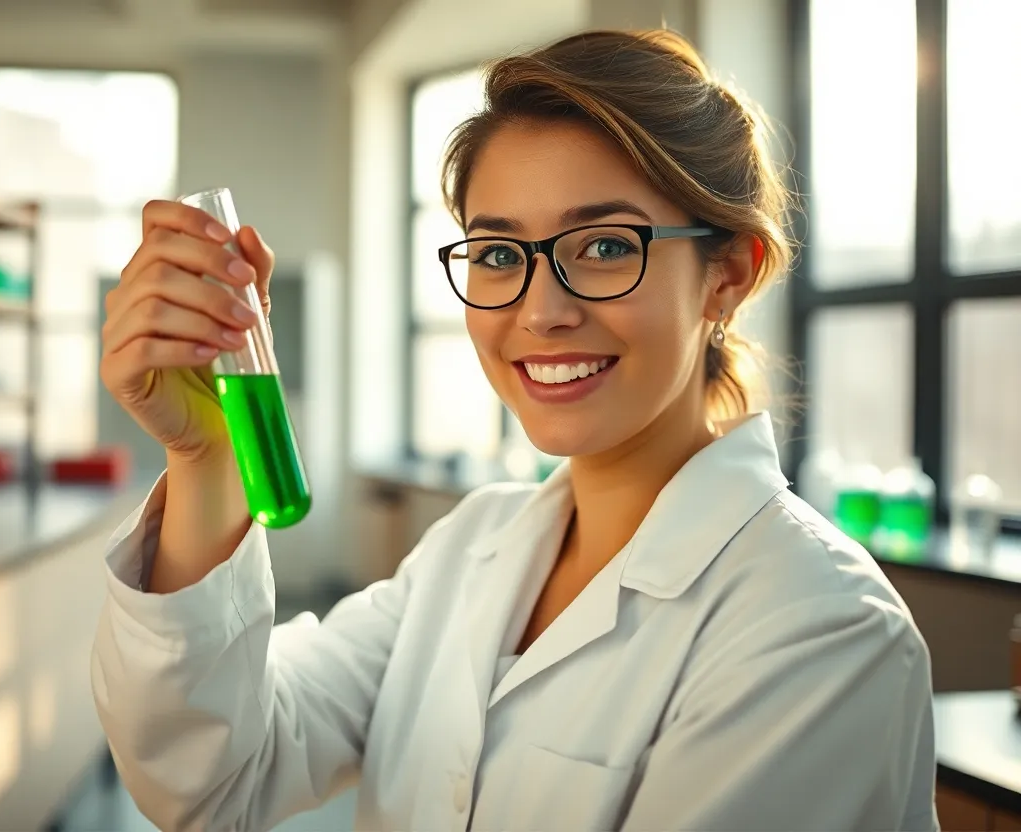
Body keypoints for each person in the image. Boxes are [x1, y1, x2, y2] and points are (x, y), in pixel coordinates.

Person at [92, 28, 937, 832]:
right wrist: (207, 457)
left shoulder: (818, 629)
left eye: (605, 247)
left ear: (728, 275)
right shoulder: (473, 549)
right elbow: (215, 782)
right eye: (499, 254)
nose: (541, 312)